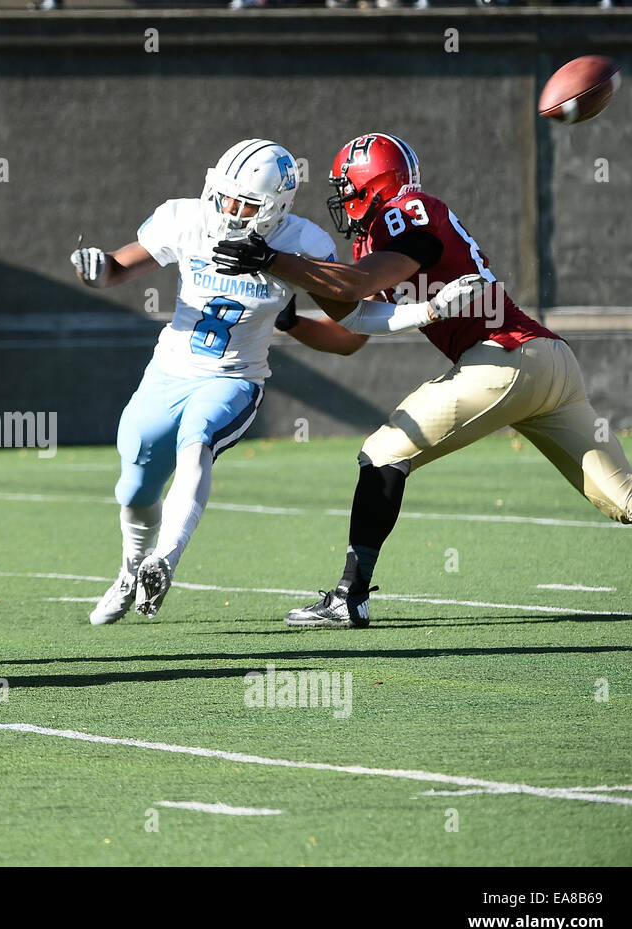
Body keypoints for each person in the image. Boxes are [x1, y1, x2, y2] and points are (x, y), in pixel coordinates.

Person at [211, 132, 632, 628]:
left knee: (383, 452)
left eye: (346, 186)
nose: (341, 199)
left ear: (370, 183)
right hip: (547, 361)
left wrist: (275, 260)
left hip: (504, 358)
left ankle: (349, 598)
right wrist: (292, 322)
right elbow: (354, 331)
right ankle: (348, 597)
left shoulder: (406, 211)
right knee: (627, 497)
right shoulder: (382, 234)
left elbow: (354, 286)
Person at [71, 138, 479, 626]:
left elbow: (356, 318)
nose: (228, 210)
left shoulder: (302, 243)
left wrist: (427, 311)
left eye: (243, 203)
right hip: (167, 371)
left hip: (234, 378)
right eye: (223, 196)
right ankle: (128, 572)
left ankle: (166, 560)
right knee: (134, 489)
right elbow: (119, 266)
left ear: (276, 208)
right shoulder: (187, 218)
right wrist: (96, 269)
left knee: (196, 440)